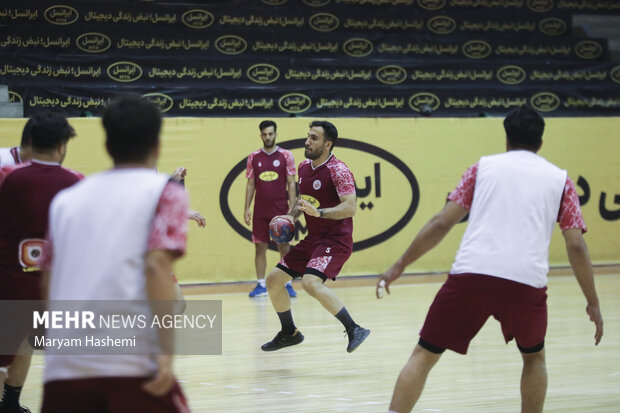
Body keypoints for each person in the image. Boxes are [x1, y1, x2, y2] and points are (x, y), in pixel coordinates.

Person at [378, 105, 604, 413]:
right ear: (540, 142)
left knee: (424, 354)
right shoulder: (561, 180)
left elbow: (441, 224)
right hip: (526, 282)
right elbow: (576, 246)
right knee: (534, 357)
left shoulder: (481, 168)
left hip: (472, 274)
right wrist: (592, 301)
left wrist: (399, 265)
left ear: (506, 139)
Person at [40, 97, 190, 412]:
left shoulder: (65, 200)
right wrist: (165, 354)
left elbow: (48, 282)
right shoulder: (166, 193)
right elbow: (156, 269)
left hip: (64, 368)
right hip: (130, 361)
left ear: (107, 145)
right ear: (158, 145)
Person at [261, 120, 370, 353]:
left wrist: (319, 213)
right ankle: (289, 332)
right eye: (308, 136)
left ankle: (354, 329)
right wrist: (290, 218)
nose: (307, 141)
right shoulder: (303, 167)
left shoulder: (338, 170)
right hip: (314, 240)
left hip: (335, 241)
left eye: (314, 138)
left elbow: (350, 207)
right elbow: (303, 203)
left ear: (327, 144)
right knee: (273, 281)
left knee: (310, 282)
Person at [0, 112, 83, 413]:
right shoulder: (76, 182)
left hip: (10, 276)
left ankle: (9, 404)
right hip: (48, 282)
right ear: (62, 146)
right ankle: (9, 404)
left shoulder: (8, 176)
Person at [244, 120, 297, 298]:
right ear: (261, 135)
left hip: (281, 210)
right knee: (260, 247)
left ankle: (288, 283)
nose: (267, 137)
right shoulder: (254, 157)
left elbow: (291, 183)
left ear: (275, 134)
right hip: (260, 210)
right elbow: (250, 184)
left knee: (284, 247)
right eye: (264, 134)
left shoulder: (286, 155)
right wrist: (247, 208)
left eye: (270, 134)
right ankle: (261, 285)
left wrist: (291, 211)